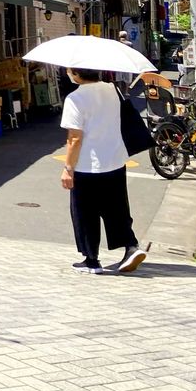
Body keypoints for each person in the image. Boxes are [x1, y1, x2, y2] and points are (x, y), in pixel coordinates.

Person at [60, 67, 147, 274]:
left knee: (85, 212)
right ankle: (130, 246)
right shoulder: (112, 90)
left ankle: (92, 261)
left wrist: (68, 169)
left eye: (69, 70)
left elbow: (74, 138)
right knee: (116, 209)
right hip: (115, 160)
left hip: (87, 165)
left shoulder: (75, 98)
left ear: (76, 73)